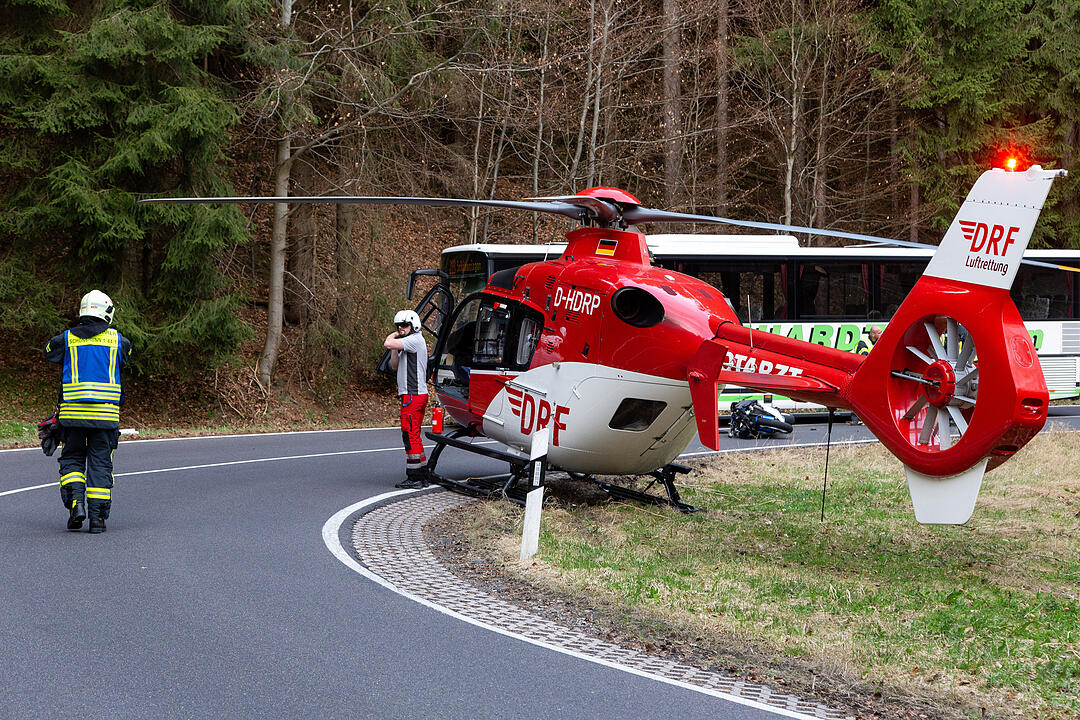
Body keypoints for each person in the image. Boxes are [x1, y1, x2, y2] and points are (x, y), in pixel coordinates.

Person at [44, 290, 131, 533]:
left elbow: (48, 352)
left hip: (72, 416)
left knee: (72, 458)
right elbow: (125, 359)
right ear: (107, 312)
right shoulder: (119, 341)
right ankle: (97, 519)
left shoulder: (66, 339)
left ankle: (76, 506)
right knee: (100, 464)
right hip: (105, 418)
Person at [385, 310, 430, 489]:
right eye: (398, 326)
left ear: (414, 325)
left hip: (413, 395)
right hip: (412, 395)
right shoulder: (408, 344)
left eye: (404, 325)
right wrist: (396, 345)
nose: (401, 328)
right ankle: (422, 473)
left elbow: (388, 342)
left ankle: (414, 477)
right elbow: (394, 365)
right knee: (413, 435)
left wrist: (395, 335)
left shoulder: (414, 340)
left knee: (409, 436)